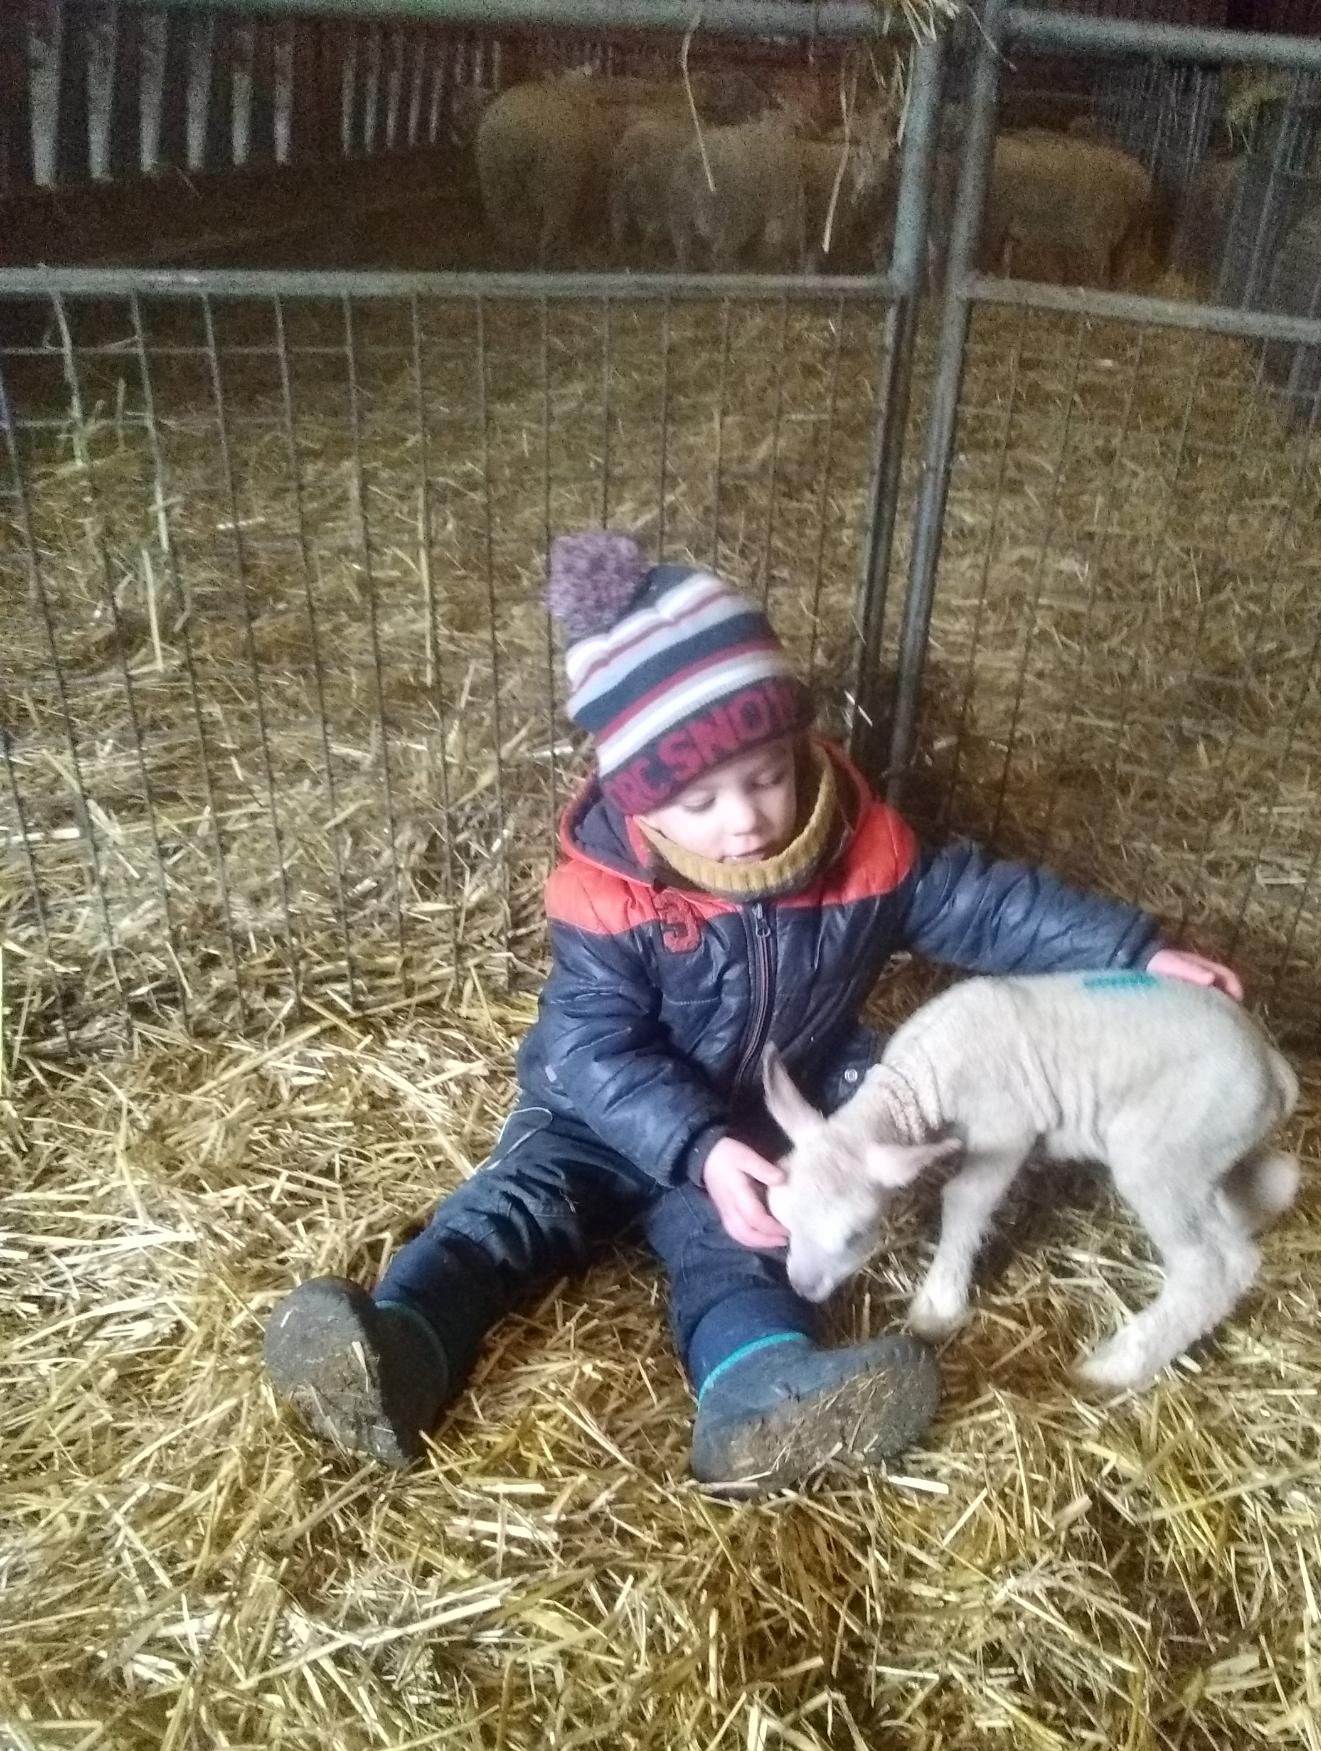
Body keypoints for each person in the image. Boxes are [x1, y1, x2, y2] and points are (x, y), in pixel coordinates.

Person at [264, 533, 1241, 1490]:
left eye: (766, 775)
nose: (744, 818)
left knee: (751, 1253)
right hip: (597, 1120)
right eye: (699, 800)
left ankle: (760, 1397)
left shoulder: (869, 853)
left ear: (798, 747)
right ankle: (399, 1348)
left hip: (769, 1124)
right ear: (638, 803)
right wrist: (691, 1143)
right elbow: (590, 1041)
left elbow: (991, 905)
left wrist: (1132, 950)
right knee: (513, 1213)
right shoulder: (610, 896)